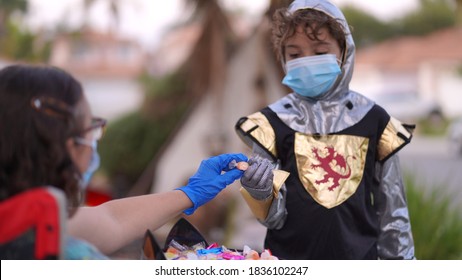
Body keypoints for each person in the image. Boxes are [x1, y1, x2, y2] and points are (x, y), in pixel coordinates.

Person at [0, 63, 248, 259]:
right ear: (66, 145)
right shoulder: (73, 258)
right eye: (92, 129)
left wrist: (190, 193)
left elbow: (110, 220)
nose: (95, 143)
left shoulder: (31, 222)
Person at [235, 0, 416, 260]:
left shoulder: (375, 121)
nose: (307, 62)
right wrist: (261, 194)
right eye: (295, 54)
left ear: (344, 53)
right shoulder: (270, 124)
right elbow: (273, 219)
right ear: (283, 59)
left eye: (320, 51)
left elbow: (393, 216)